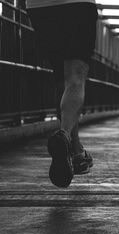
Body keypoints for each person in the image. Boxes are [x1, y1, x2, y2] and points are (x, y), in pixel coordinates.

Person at [27, 0, 97, 187]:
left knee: (61, 80)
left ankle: (76, 152)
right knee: (75, 77)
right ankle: (64, 135)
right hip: (78, 4)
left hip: (40, 7)